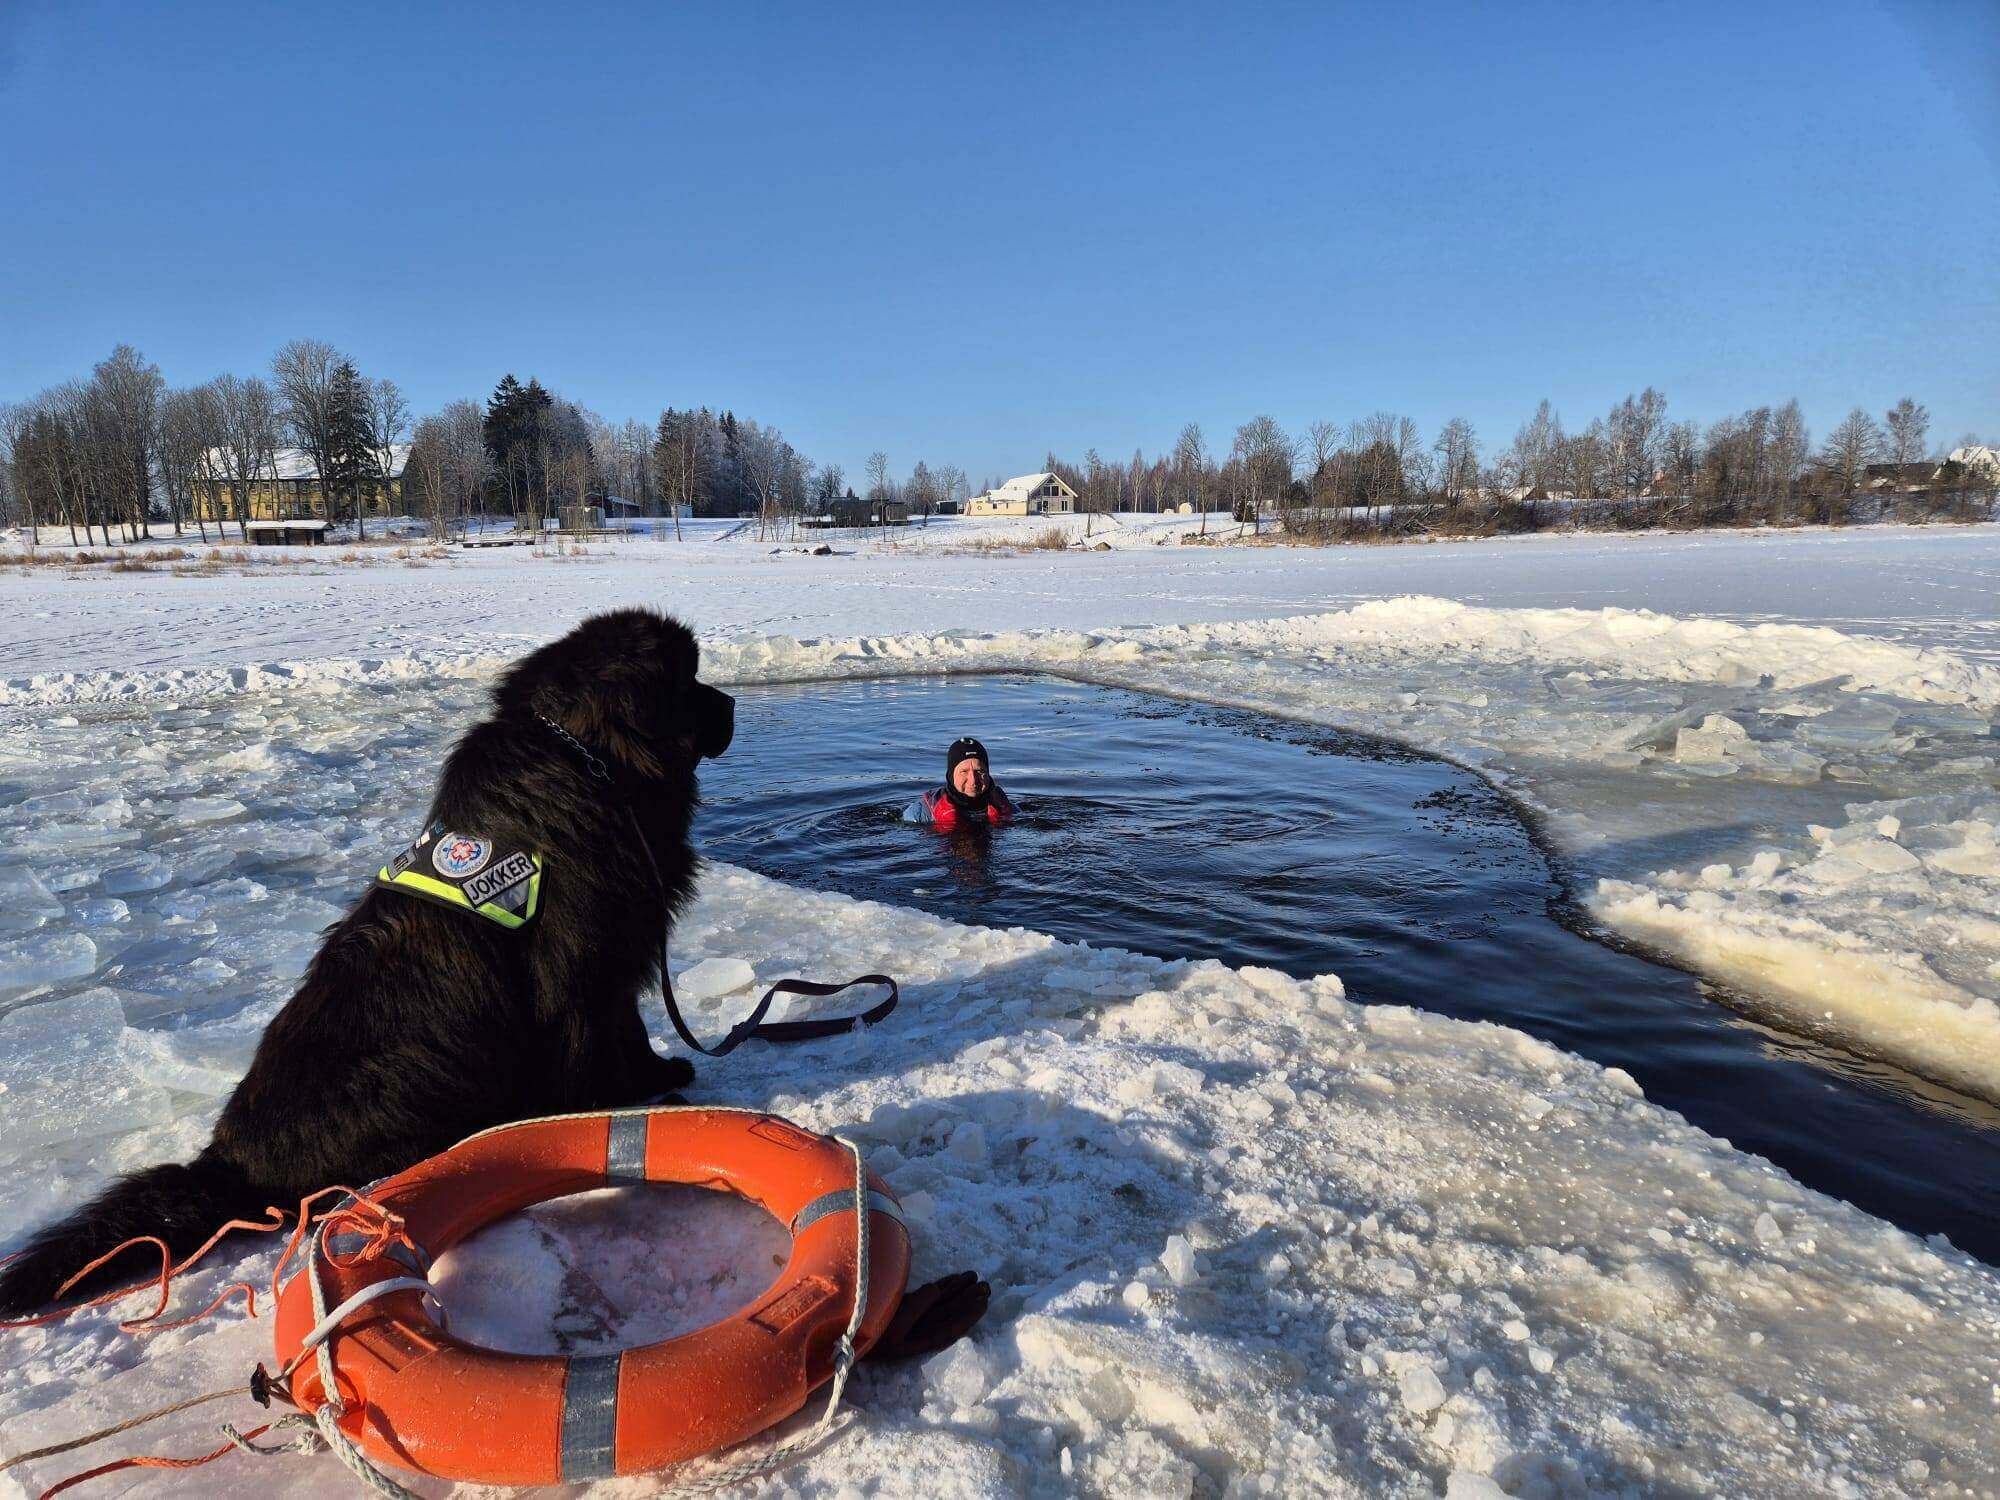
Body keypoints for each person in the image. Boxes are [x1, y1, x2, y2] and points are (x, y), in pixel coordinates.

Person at [908, 736, 1015, 831]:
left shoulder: (1005, 807)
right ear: (951, 775)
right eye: (964, 771)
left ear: (988, 773)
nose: (973, 780)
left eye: (980, 771)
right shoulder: (919, 813)